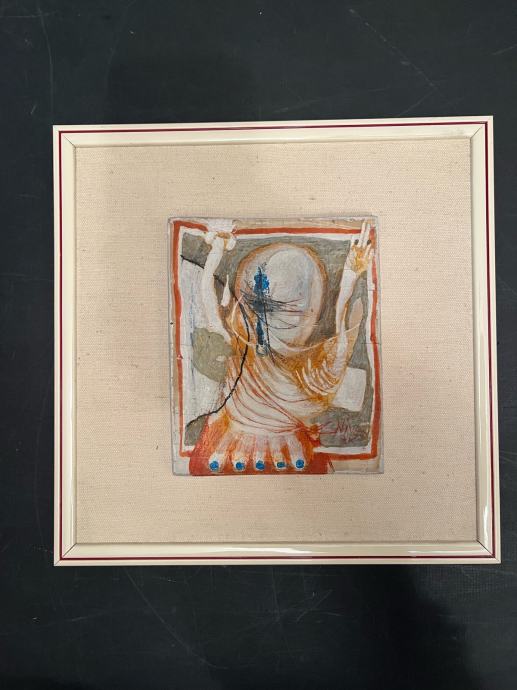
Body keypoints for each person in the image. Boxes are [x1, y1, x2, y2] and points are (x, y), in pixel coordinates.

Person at [189, 222, 374, 474]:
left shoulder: (236, 345)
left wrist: (218, 248)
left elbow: (207, 293)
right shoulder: (313, 374)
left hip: (258, 451)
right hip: (251, 448)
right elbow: (341, 335)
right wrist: (350, 278)